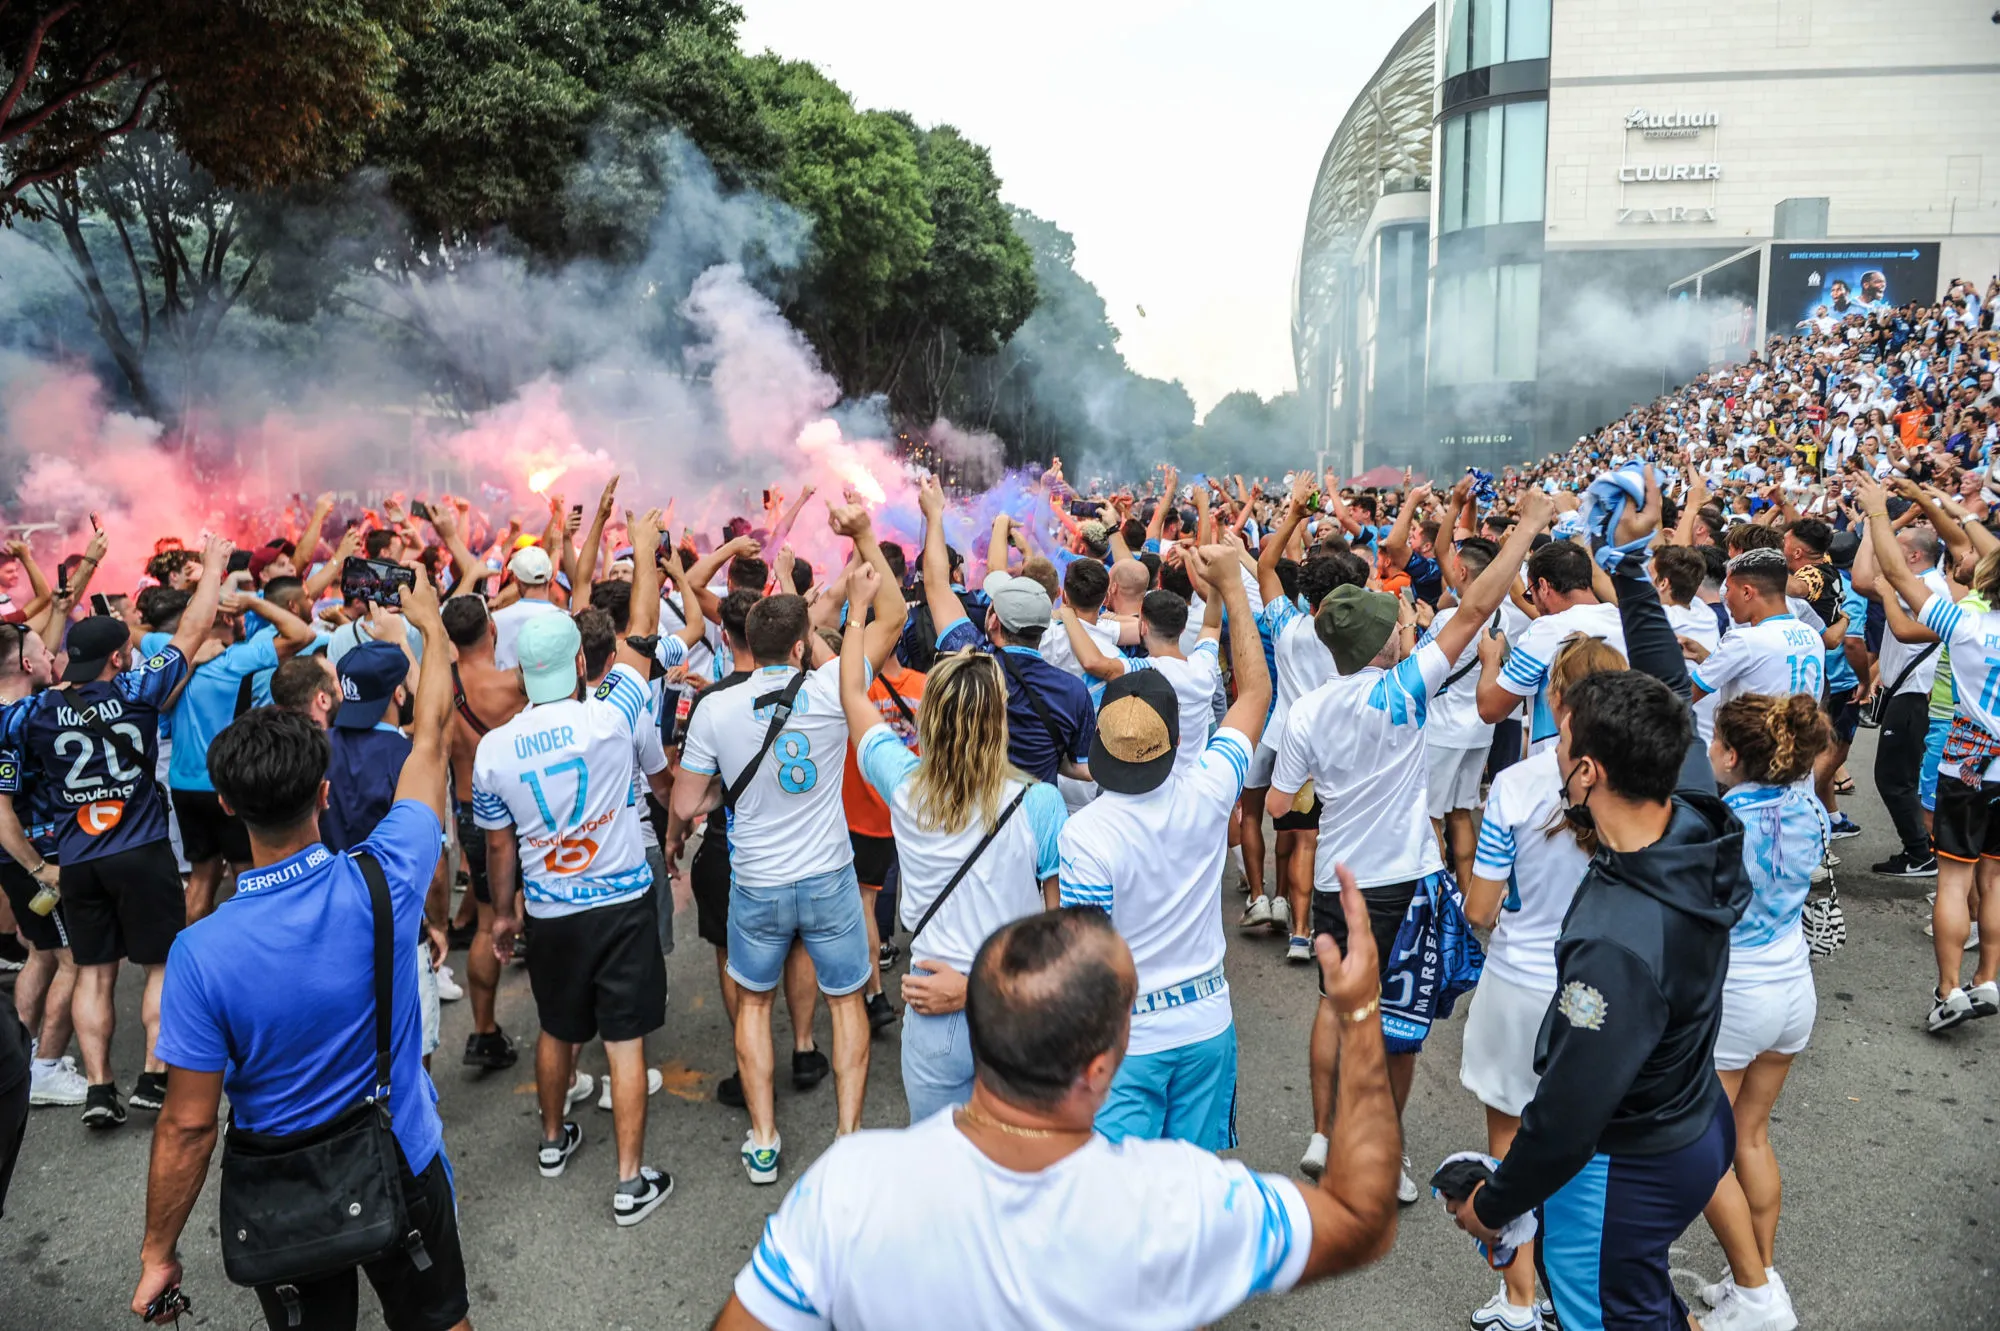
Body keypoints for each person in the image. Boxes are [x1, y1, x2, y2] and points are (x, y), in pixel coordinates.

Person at [710, 898, 1401, 1330]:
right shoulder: (1177, 1199)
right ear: (1101, 1068)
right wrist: (1361, 1012)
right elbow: (1361, 1219)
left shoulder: (849, 1186)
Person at [1446, 481, 1748, 1331]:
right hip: (1696, 1125)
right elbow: (1666, 678)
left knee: (1610, 1317)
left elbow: (1572, 1110)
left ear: (1590, 774)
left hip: (1628, 1161)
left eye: (1568, 746)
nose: (1558, 756)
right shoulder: (1693, 808)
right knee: (1644, 1301)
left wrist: (1497, 1204)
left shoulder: (1616, 936)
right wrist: (1627, 565)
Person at [132, 573, 471, 1331]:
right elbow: (432, 731)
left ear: (226, 804)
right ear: (323, 794)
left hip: (282, 1184)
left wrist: (159, 1249)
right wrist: (426, 629)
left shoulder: (200, 952)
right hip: (400, 1153)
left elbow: (188, 1123)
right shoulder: (389, 875)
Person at [1272, 493, 1549, 1195]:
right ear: (1379, 644)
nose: (1403, 632)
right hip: (1406, 880)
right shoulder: (1405, 687)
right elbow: (1477, 606)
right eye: (1392, 629)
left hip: (1341, 880)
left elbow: (1280, 801)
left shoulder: (1307, 708)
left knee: (1335, 1008)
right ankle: (1383, 1155)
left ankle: (1324, 1135)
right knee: (1400, 1027)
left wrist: (1328, 787)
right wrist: (1527, 529)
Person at [673, 504, 906, 1185]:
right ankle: (847, 1134)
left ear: (746, 640)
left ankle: (766, 1137)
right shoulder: (835, 686)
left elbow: (686, 804)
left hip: (758, 878)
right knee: (844, 1002)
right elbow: (891, 616)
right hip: (830, 874)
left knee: (752, 1004)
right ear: (802, 645)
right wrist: (861, 568)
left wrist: (722, 795)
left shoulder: (716, 705)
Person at [473, 512, 677, 1225]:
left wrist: (504, 912)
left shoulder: (495, 750)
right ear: (587, 666)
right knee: (625, 1038)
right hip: (621, 898)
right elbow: (645, 635)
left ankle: (554, 1142)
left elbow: (499, 847)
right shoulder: (614, 717)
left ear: (524, 670)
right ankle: (629, 1181)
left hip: (552, 906)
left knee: (558, 1028)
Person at [5, 535, 228, 1126]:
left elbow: (34, 661)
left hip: (77, 859)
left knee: (95, 973)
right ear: (117, 659)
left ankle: (100, 1089)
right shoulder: (135, 690)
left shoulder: (36, 712)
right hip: (142, 850)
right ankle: (153, 1080)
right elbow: (194, 629)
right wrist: (213, 570)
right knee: (160, 966)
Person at [1056, 542, 1268, 1150]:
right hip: (1206, 1024)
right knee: (1194, 1189)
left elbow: (1090, 963)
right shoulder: (1206, 791)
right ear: (1174, 742)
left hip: (1129, 1042)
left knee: (1121, 1200)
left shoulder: (1086, 835)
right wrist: (1231, 590)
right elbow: (1255, 695)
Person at [838, 564, 1063, 1119]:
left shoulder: (907, 788)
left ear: (930, 719)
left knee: (937, 1170)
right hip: (1011, 1010)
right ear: (1001, 719)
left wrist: (858, 611)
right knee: (1010, 1165)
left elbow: (851, 694)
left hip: (933, 1007)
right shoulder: (1040, 804)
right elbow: (1057, 938)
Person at [1459, 633, 1627, 1331]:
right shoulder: (1644, 788)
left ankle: (1519, 1300)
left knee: (1509, 1146)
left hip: (1518, 984)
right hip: (1602, 991)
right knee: (1590, 1150)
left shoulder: (1520, 784)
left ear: (1555, 699)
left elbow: (1480, 906)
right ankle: (1575, 1291)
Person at [1696, 694, 1831, 1331]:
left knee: (1703, 1152)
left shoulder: (1719, 823)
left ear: (1732, 755)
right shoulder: (1812, 809)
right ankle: (1758, 1279)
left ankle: (1755, 1297)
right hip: (1793, 987)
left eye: (1715, 741)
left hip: (1735, 995)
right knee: (1751, 1136)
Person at [1854, 476, 2000, 1030]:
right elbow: (1987, 549)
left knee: (1955, 880)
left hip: (1966, 761)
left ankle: (1948, 990)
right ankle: (1987, 977)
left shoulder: (1964, 625)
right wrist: (1951, 508)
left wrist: (1876, 513)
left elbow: (1894, 574)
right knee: (1995, 880)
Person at [919, 483, 1095, 787]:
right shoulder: (1073, 692)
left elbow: (936, 584)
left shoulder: (970, 663)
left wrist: (934, 516)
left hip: (973, 813)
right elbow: (1080, 766)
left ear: (993, 621)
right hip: (1036, 817)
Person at [166, 575, 318, 922]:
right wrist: (254, 602)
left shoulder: (175, 660)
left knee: (201, 880)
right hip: (226, 782)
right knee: (248, 876)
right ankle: (251, 956)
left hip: (183, 784)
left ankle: (195, 959)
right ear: (228, 618)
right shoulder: (236, 659)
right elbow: (302, 634)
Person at [0, 623, 87, 1109]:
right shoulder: (10, 725)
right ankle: (46, 1069)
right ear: (28, 665)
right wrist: (39, 869)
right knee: (78, 957)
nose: (52, 652)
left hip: (20, 857)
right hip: (30, 856)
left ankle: (21, 1055)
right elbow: (0, 814)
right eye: (43, 649)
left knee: (42, 953)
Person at [441, 594, 525, 1071]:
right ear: (491, 630)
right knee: (541, 909)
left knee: (489, 917)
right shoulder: (515, 685)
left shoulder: (442, 689)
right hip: (521, 808)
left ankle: (483, 1030)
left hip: (472, 810)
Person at [1057, 583, 1223, 773]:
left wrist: (1068, 615)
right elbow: (1212, 625)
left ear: (1143, 626)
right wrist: (1216, 584)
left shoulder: (1148, 671)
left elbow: (1093, 662)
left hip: (1155, 779)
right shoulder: (1204, 665)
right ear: (1182, 629)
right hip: (1195, 776)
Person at [1478, 539, 1627, 750]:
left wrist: (1491, 660)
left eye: (1531, 594)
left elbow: (1490, 709)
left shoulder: (1548, 629)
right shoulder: (1624, 622)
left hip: (1558, 764)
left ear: (1544, 586)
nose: (1534, 604)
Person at [491, 545, 563, 669]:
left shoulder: (494, 621)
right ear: (550, 580)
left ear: (515, 580)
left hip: (505, 687)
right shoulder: (568, 620)